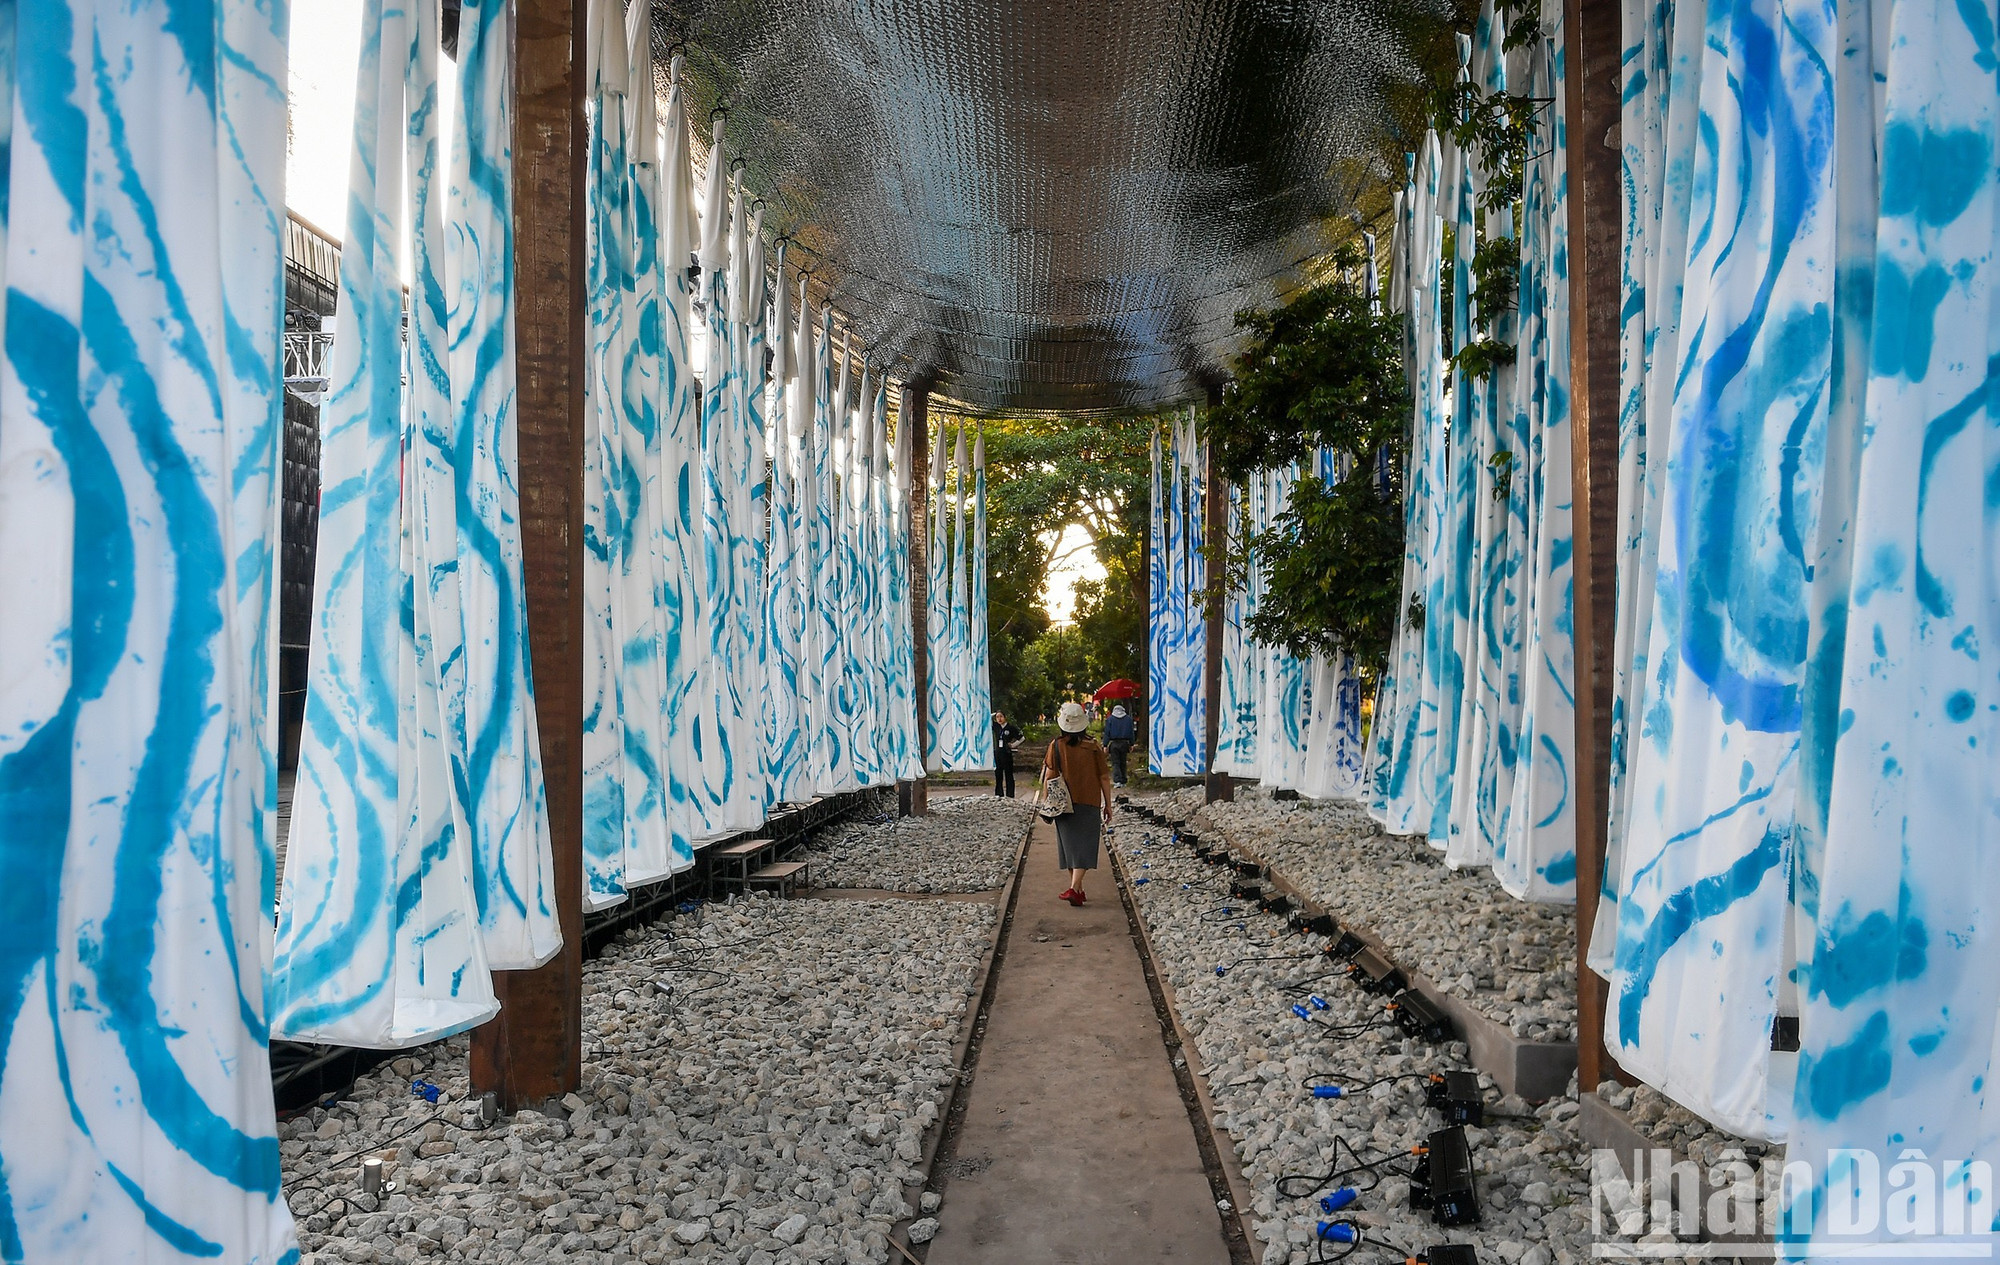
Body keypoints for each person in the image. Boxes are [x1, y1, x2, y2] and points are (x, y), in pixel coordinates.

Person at [1044, 701, 1113, 906]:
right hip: (1089, 801)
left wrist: (1046, 801)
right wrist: (1108, 804)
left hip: (1063, 803)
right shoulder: (1093, 747)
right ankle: (1077, 890)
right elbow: (1104, 777)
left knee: (1070, 848)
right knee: (1084, 848)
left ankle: (1074, 889)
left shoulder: (1055, 745)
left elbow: (1050, 774)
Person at [1103, 702, 1136, 788]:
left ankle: (1117, 781)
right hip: (1125, 743)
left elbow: (1107, 733)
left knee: (1115, 763)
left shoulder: (1110, 719)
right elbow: (1131, 732)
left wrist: (1105, 745)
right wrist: (1132, 744)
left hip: (1114, 744)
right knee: (1123, 762)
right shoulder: (1128, 719)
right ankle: (1123, 780)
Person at [992, 711, 1022, 797]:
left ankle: (1010, 794)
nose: (999, 719)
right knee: (998, 774)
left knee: (1009, 775)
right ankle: (999, 794)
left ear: (1005, 717)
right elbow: (987, 720)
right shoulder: (996, 726)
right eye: (997, 717)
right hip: (997, 753)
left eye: (1001, 716)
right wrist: (993, 714)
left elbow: (1021, 738)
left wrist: (1013, 745)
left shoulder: (1010, 728)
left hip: (1007, 753)